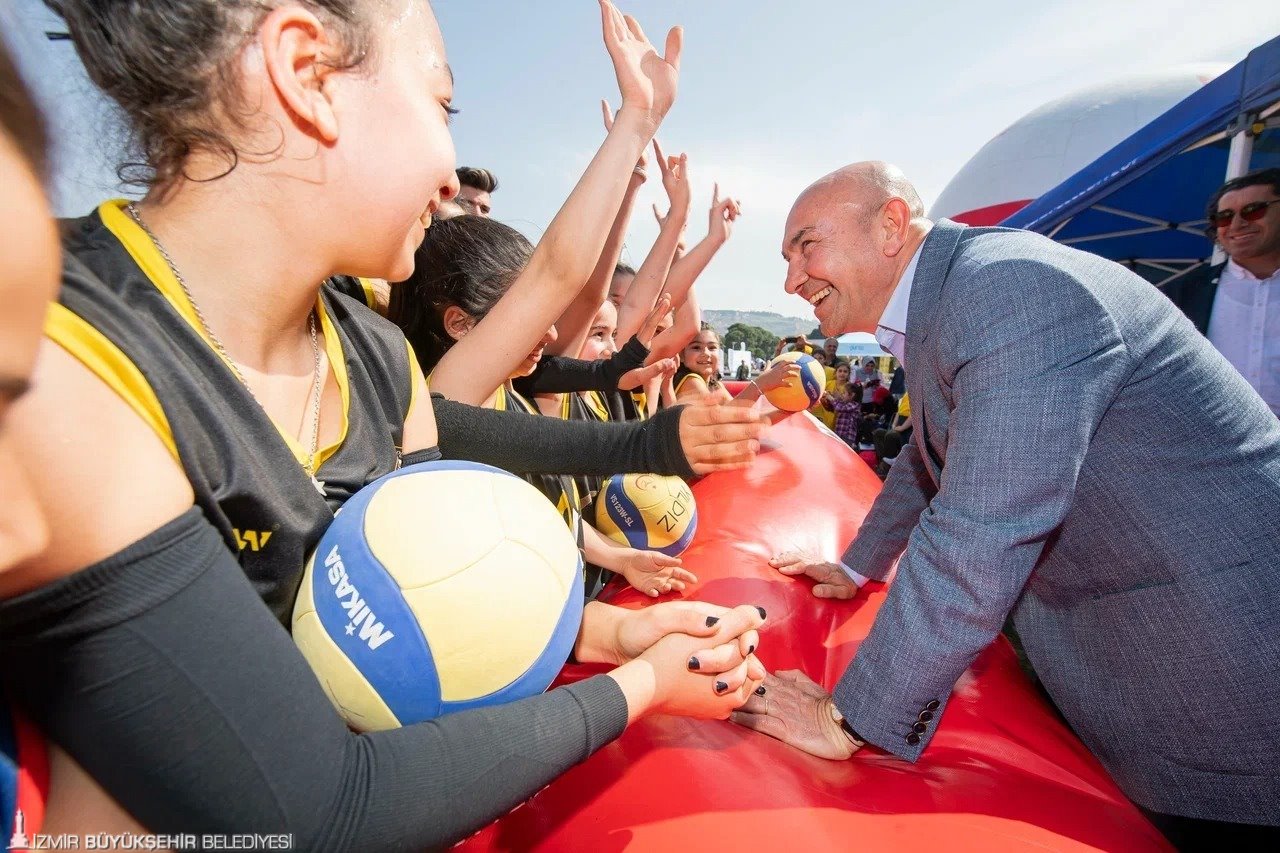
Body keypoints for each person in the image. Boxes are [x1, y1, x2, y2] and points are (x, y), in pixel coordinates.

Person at [3, 3, 769, 848]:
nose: (449, 178)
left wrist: (607, 630)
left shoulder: (380, 359)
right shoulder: (51, 350)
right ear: (305, 72)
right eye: (443, 104)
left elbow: (424, 590)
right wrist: (643, 685)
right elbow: (321, 807)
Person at [732, 161, 1280, 847]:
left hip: (1222, 661)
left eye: (806, 246)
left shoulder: (1008, 290)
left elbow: (982, 526)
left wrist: (846, 718)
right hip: (1150, 644)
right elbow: (928, 455)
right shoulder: (959, 296)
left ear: (891, 225)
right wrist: (856, 566)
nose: (792, 280)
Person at [1164, 168, 1280, 418]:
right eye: (1224, 217)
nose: (1237, 224)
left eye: (1254, 210)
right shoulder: (1183, 292)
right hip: (1214, 436)